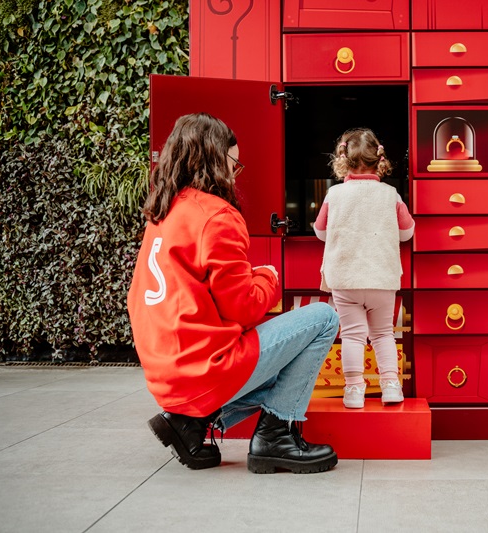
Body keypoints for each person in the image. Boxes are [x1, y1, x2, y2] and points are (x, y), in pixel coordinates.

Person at [127, 112, 339, 474]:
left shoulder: (161, 214)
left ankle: (190, 421)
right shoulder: (216, 216)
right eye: (233, 164)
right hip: (204, 370)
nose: (234, 174)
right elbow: (245, 308)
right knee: (323, 319)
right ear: (214, 159)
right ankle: (275, 436)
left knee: (286, 359)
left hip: (166, 374)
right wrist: (267, 276)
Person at [313, 128, 415, 408]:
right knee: (383, 333)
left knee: (352, 336)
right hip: (382, 278)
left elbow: (321, 232)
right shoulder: (390, 194)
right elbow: (406, 233)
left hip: (346, 279)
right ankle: (391, 386)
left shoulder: (334, 194)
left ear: (343, 160)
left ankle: (354, 390)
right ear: (379, 160)